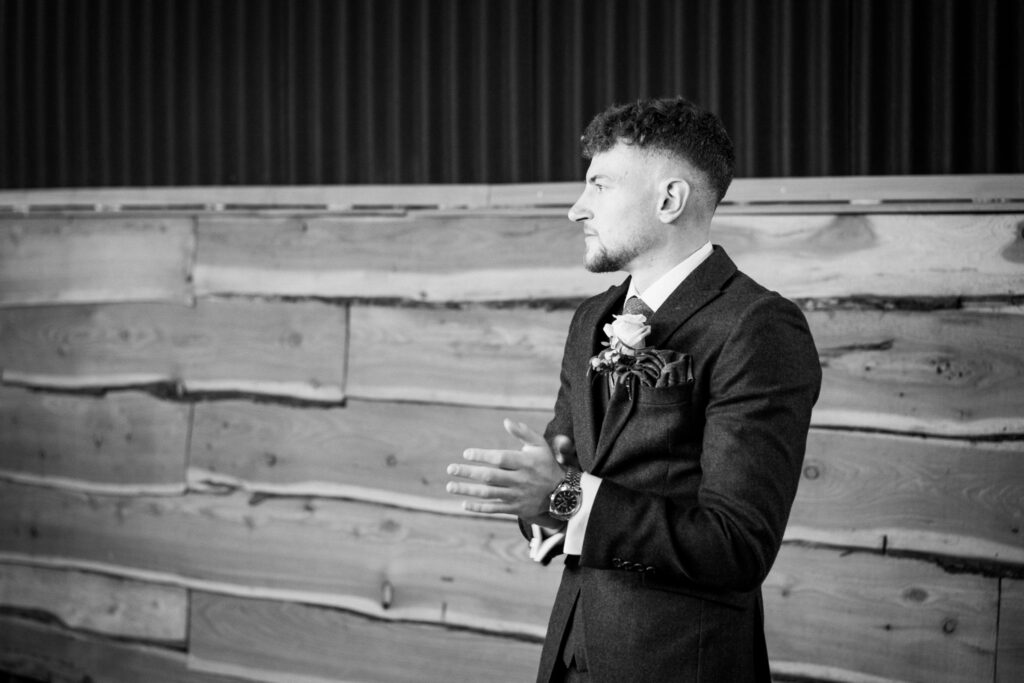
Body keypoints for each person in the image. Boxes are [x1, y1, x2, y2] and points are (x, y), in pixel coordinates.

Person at [445, 97, 822, 682]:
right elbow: (562, 480)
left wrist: (568, 496)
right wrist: (539, 503)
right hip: (569, 656)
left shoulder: (758, 327)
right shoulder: (590, 320)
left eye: (599, 185)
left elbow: (738, 545)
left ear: (669, 200)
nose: (576, 209)